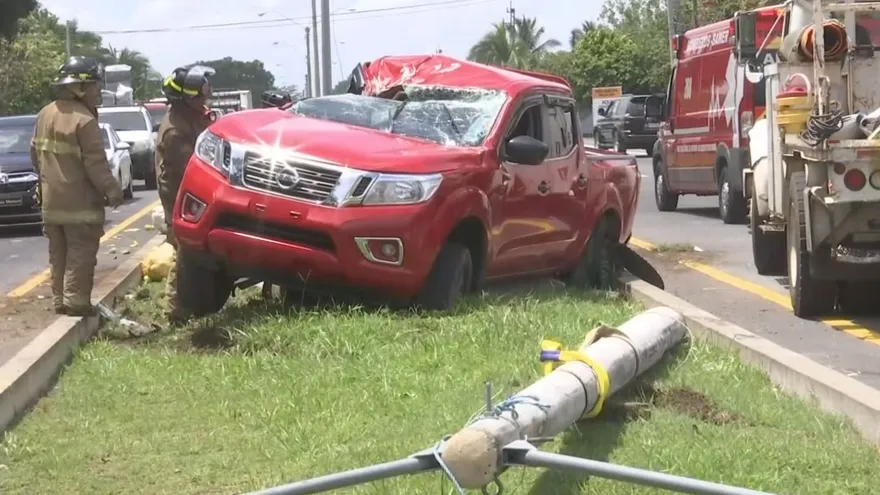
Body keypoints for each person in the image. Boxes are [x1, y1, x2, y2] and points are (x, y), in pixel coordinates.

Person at [30, 56, 124, 316]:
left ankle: (60, 300)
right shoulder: (84, 120)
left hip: (51, 201)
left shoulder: (44, 114)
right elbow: (95, 164)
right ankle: (76, 302)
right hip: (80, 204)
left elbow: (34, 154)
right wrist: (112, 190)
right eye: (94, 85)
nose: (97, 91)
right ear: (79, 88)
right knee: (81, 252)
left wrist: (49, 179)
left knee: (58, 253)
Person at [154, 65, 215, 324]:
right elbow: (192, 168)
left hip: (189, 199)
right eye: (199, 97)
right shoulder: (176, 131)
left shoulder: (189, 118)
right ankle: (174, 311)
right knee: (183, 254)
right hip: (180, 200)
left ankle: (190, 305)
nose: (204, 100)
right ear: (185, 99)